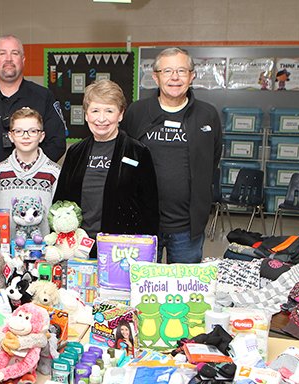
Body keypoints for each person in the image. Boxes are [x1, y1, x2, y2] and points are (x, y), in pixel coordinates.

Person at [124, 47, 222, 264]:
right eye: (167, 71)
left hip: (187, 228)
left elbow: (212, 158)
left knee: (185, 293)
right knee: (142, 290)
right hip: (143, 224)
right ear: (155, 77)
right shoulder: (137, 112)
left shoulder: (207, 115)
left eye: (182, 71)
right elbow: (125, 156)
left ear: (192, 76)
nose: (175, 77)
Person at [53, 79, 159, 256]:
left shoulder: (137, 152)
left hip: (122, 249)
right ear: (86, 114)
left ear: (120, 115)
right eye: (95, 111)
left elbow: (149, 208)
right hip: (78, 246)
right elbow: (61, 202)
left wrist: (146, 249)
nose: (101, 119)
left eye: (109, 111)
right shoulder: (75, 152)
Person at [0, 34, 67, 163]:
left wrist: (32, 170)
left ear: (23, 60)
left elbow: (57, 143)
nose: (9, 59)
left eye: (15, 53)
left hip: (33, 180)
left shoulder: (44, 96)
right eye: (2, 53)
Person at [0, 107, 61, 237]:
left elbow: (58, 218)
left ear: (41, 136)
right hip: (8, 250)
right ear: (11, 136)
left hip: (43, 251)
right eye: (19, 131)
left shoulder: (54, 172)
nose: (26, 136)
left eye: (33, 131)